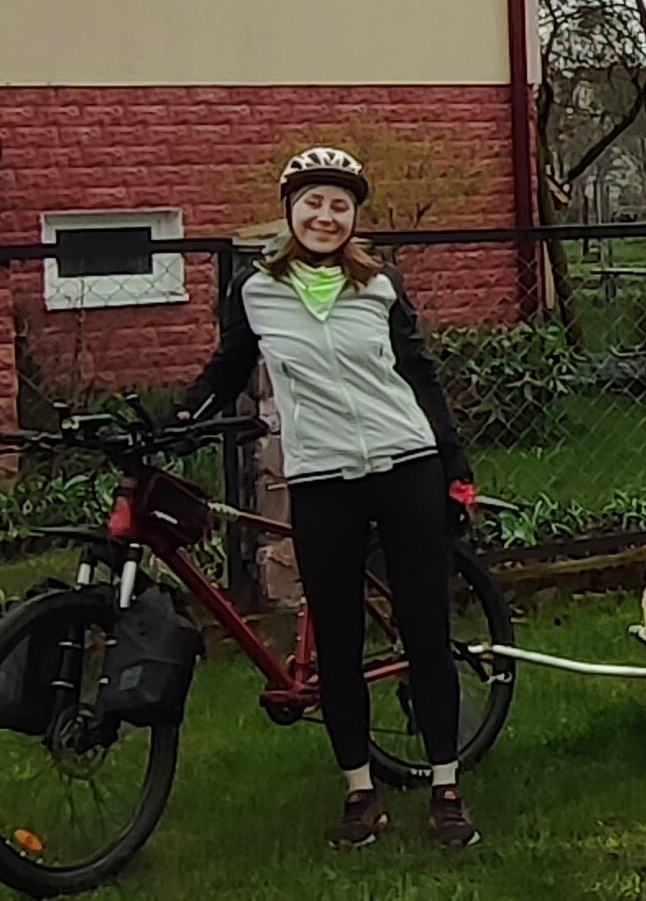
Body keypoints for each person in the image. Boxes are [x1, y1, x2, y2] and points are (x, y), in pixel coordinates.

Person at [182, 147, 484, 848]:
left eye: (340, 205)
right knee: (338, 645)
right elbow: (228, 369)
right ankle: (359, 794)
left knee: (426, 632)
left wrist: (453, 463)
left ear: (354, 218)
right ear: (290, 211)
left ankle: (445, 785)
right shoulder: (255, 291)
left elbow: (420, 374)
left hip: (405, 464)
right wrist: (179, 417)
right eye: (313, 202)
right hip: (321, 480)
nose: (326, 215)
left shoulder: (380, 283)